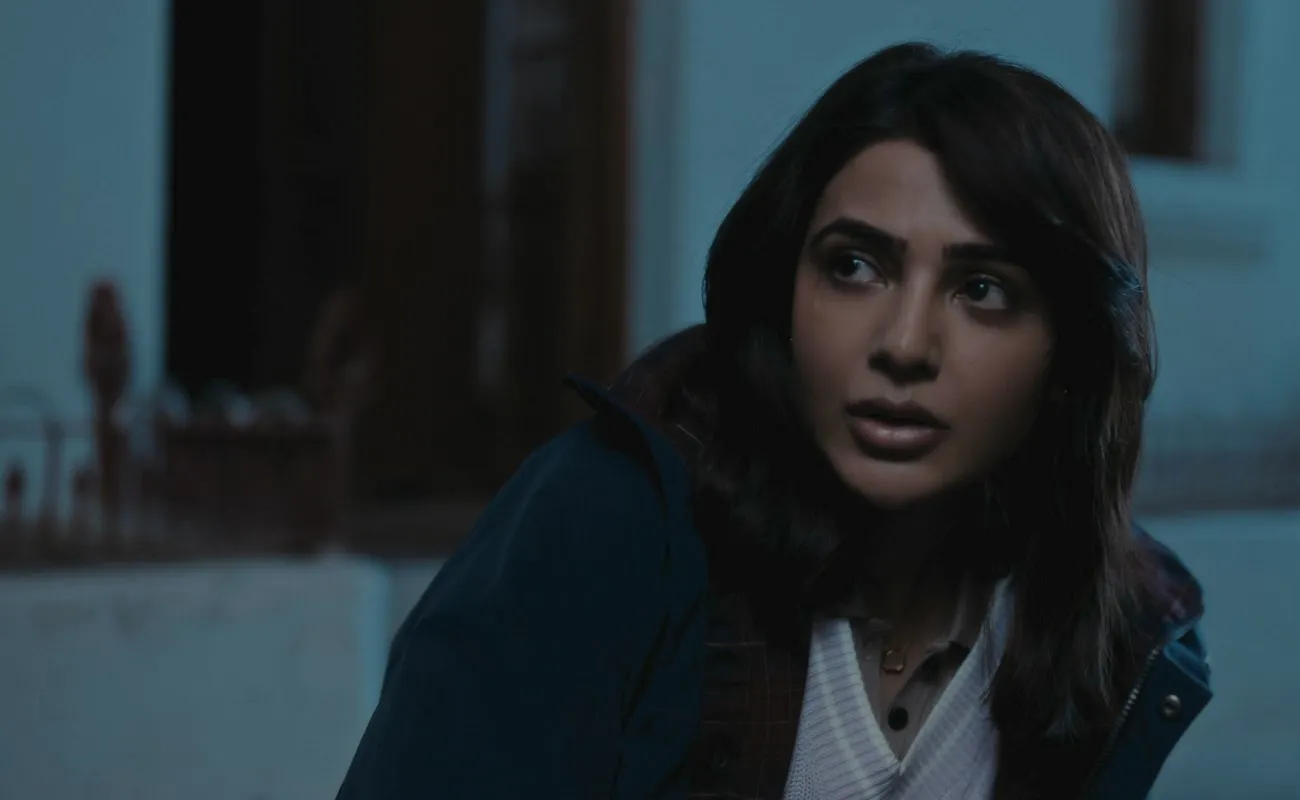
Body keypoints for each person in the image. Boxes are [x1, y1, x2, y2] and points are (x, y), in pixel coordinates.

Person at [335, 41, 1210, 799]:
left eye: (982, 289)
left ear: (1071, 354)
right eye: (855, 267)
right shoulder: (607, 522)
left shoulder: (1114, 624)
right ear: (783, 291)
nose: (904, 344)